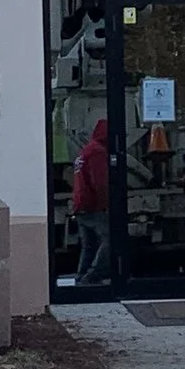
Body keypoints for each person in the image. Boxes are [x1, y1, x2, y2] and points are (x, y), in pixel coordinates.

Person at [70, 115, 112, 287]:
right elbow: (100, 182)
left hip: (80, 204)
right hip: (92, 205)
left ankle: (82, 277)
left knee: (89, 245)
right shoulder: (98, 152)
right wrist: (106, 203)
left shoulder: (85, 151)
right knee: (110, 239)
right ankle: (93, 275)